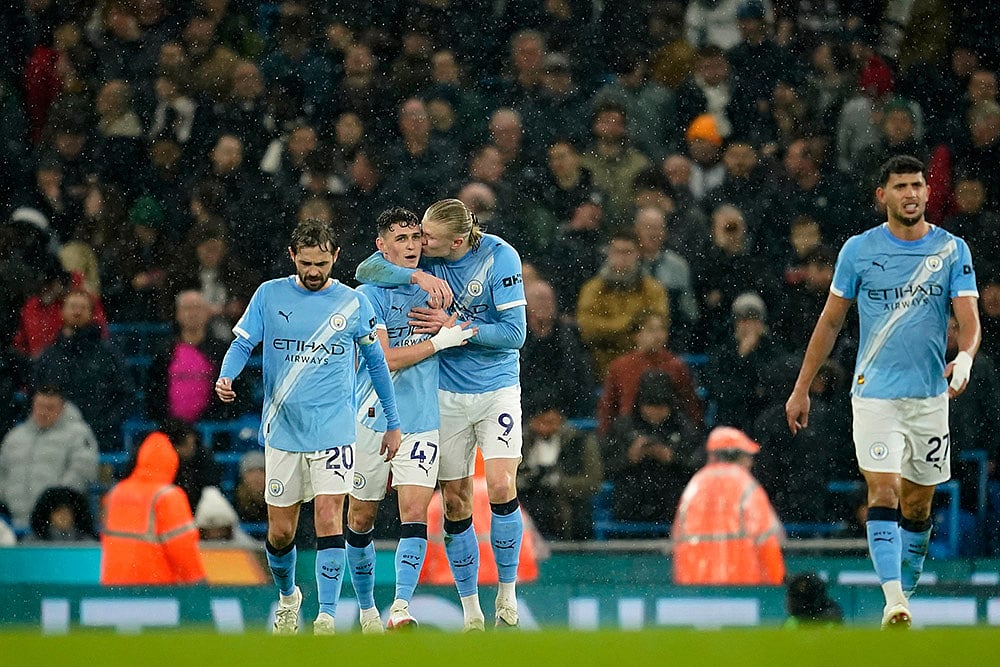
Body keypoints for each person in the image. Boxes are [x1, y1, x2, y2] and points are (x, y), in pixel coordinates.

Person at [785, 155, 982, 629]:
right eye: (900, 187)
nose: (911, 193)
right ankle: (893, 599)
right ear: (883, 196)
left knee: (918, 504)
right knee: (884, 488)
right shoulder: (858, 250)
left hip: (929, 399)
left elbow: (970, 320)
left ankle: (904, 593)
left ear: (927, 193)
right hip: (874, 395)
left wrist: (967, 357)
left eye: (917, 185)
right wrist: (802, 388)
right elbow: (830, 320)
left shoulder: (953, 250)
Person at [215, 218, 402, 635]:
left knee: (328, 516)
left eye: (321, 263)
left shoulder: (354, 304)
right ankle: (287, 597)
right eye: (306, 263)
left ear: (335, 257)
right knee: (280, 533)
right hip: (283, 431)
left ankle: (326, 617)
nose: (314, 272)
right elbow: (244, 341)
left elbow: (376, 364)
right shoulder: (269, 295)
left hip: (335, 430)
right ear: (292, 258)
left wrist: (393, 421)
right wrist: (227, 375)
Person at [356, 198, 527, 630]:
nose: (420, 243)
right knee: (455, 500)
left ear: (456, 240)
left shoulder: (499, 257)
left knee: (502, 483)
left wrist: (456, 332)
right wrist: (414, 273)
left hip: (496, 388)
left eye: (426, 237)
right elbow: (366, 270)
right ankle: (471, 611)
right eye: (416, 236)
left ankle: (506, 592)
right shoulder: (427, 265)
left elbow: (515, 333)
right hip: (446, 394)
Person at [347, 206, 475, 633]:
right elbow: (383, 359)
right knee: (361, 518)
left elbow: (471, 318)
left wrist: (458, 326)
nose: (410, 246)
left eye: (415, 237)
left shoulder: (439, 282)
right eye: (399, 239)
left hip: (421, 418)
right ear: (382, 246)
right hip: (371, 418)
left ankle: (400, 607)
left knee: (415, 512)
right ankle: (366, 609)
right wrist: (439, 342)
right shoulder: (368, 293)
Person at [672, 426, 785, 585]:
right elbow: (767, 540)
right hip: (742, 584)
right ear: (738, 456)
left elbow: (678, 539)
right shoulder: (747, 486)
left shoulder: (694, 487)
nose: (750, 462)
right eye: (747, 456)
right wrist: (776, 582)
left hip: (695, 587)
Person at [100, 431, 206, 586]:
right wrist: (199, 584)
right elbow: (182, 549)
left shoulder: (115, 493)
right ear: (172, 462)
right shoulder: (168, 497)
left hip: (113, 590)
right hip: (155, 593)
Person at [0, 385, 98, 530]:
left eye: (50, 407)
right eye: (39, 406)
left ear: (63, 408)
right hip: (13, 523)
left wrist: (54, 503)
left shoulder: (78, 434)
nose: (43, 412)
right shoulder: (15, 436)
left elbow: (81, 471)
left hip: (56, 528)